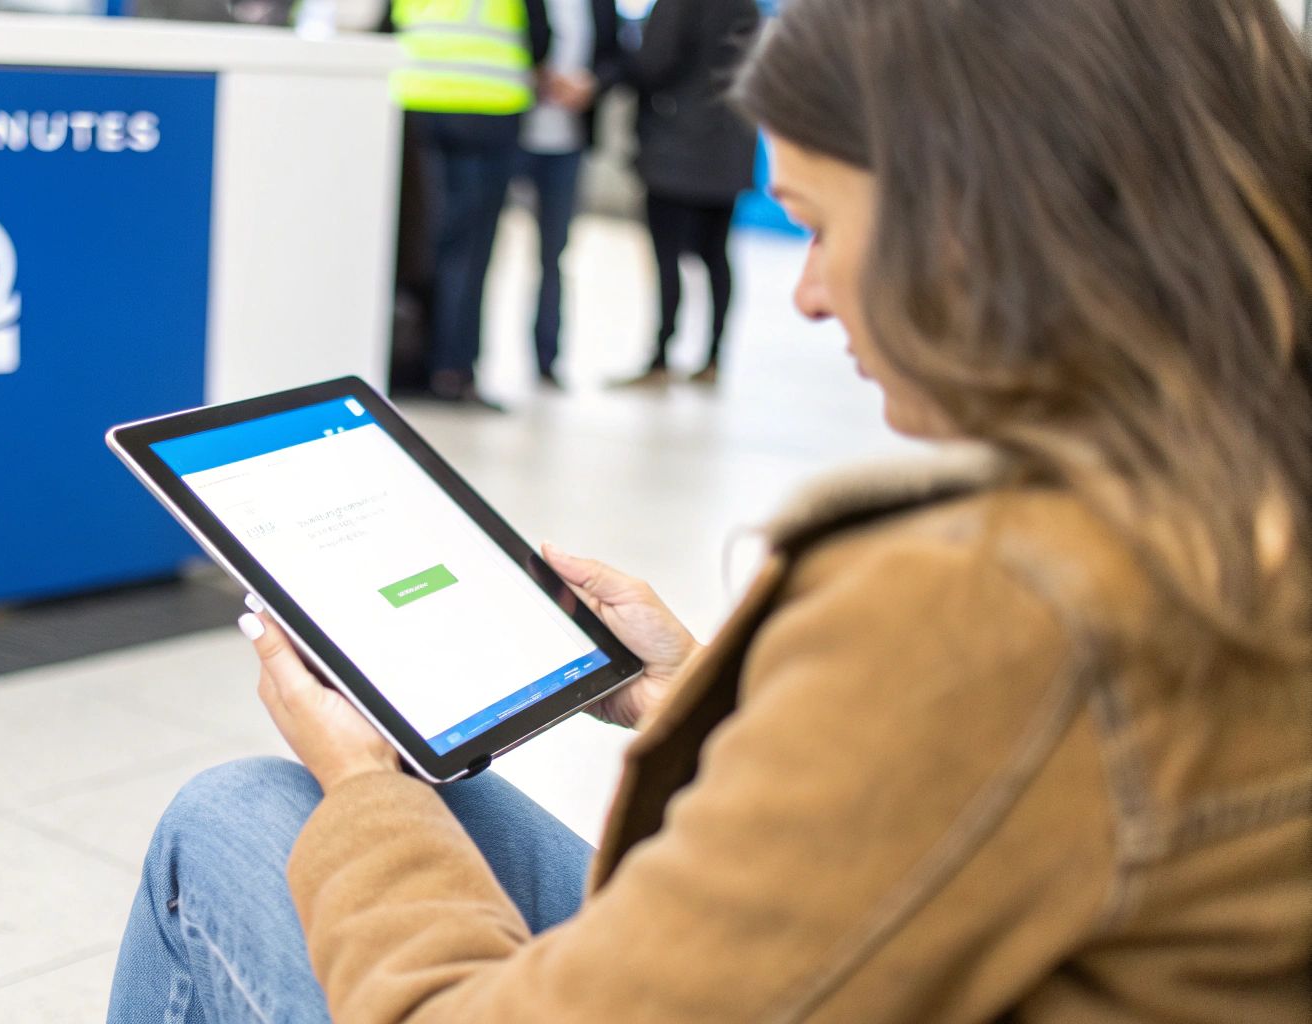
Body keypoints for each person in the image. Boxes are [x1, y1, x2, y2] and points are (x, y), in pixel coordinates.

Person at [109, 0, 1312, 1019]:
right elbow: (939, 811)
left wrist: (362, 780)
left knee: (234, 820)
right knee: (396, 800)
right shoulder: (1237, 492)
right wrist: (680, 688)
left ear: (985, 218)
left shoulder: (998, 599)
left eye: (820, 224)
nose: (807, 295)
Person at [384, 0, 551, 410]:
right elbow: (540, 38)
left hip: (415, 101)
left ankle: (405, 365)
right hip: (487, 109)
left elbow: (385, 27)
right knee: (469, 250)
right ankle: (452, 371)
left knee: (415, 238)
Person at [618, 0, 760, 387]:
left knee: (666, 256)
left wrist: (621, 58)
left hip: (675, 146)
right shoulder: (747, 6)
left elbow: (653, 64)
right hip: (730, 145)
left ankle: (661, 357)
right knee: (716, 254)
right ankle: (713, 357)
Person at [513, 0, 623, 388]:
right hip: (513, 135)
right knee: (483, 250)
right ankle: (463, 363)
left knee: (554, 254)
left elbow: (615, 57)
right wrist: (535, 76)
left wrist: (591, 84)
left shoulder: (600, 5)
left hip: (568, 142)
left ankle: (547, 360)